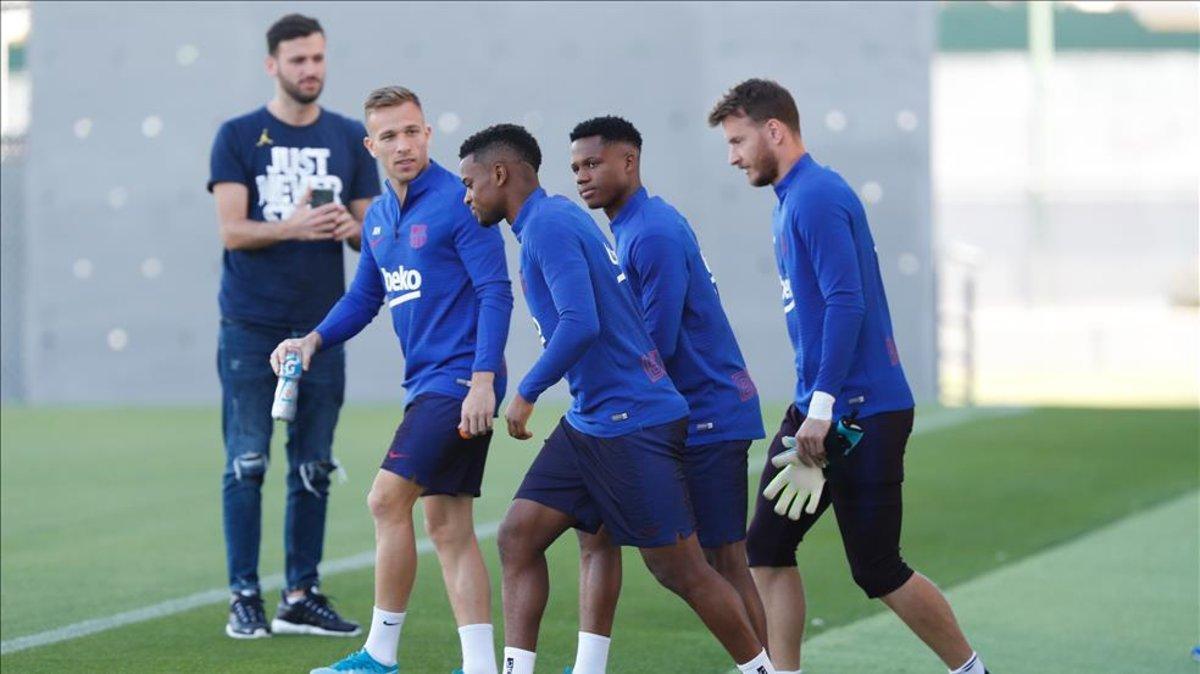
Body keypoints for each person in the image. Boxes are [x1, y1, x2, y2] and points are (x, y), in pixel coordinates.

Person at [457, 123, 777, 674]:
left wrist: (525, 393)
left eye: (469, 183)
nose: (466, 197)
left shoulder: (551, 228)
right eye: (576, 166)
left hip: (633, 421)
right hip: (593, 419)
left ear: (500, 175)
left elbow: (582, 323)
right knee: (519, 536)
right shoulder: (556, 220)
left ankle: (765, 670)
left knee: (684, 569)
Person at [708, 78, 990, 674]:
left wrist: (824, 405)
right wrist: (814, 402)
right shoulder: (791, 201)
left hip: (859, 411)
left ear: (775, 131)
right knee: (766, 547)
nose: (733, 156)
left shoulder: (816, 197)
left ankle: (973, 671)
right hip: (822, 405)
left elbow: (845, 301)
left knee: (878, 568)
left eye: (738, 141)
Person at [272, 86, 512, 674]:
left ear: (428, 133)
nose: (402, 144)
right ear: (370, 144)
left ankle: (379, 656)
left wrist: (483, 380)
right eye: (389, 135)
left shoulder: (461, 202)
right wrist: (312, 339)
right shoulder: (378, 217)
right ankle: (481, 666)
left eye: (412, 131)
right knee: (447, 523)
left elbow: (496, 291)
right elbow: (364, 298)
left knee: (385, 499)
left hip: (459, 382)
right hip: (427, 384)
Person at [563, 115, 769, 673]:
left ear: (628, 162)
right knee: (600, 535)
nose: (582, 176)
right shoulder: (634, 226)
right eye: (576, 167)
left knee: (723, 559)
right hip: (686, 410)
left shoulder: (650, 231)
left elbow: (655, 343)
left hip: (708, 413)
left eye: (593, 163)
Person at [207, 13, 378, 640]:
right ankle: (244, 597)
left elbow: (372, 238)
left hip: (321, 328)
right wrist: (294, 226)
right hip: (250, 325)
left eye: (318, 58)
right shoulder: (237, 135)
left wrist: (350, 229)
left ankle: (300, 594)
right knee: (247, 460)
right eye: (298, 59)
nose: (311, 70)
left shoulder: (349, 137)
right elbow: (231, 230)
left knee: (313, 465)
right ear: (272, 64)